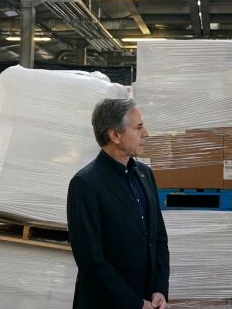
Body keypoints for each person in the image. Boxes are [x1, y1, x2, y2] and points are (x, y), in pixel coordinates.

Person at [67, 98, 169, 309]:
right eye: (138, 127)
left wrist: (159, 289)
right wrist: (135, 303)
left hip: (147, 299)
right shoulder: (85, 184)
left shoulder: (145, 175)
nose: (146, 133)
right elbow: (91, 261)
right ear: (115, 135)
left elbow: (158, 237)